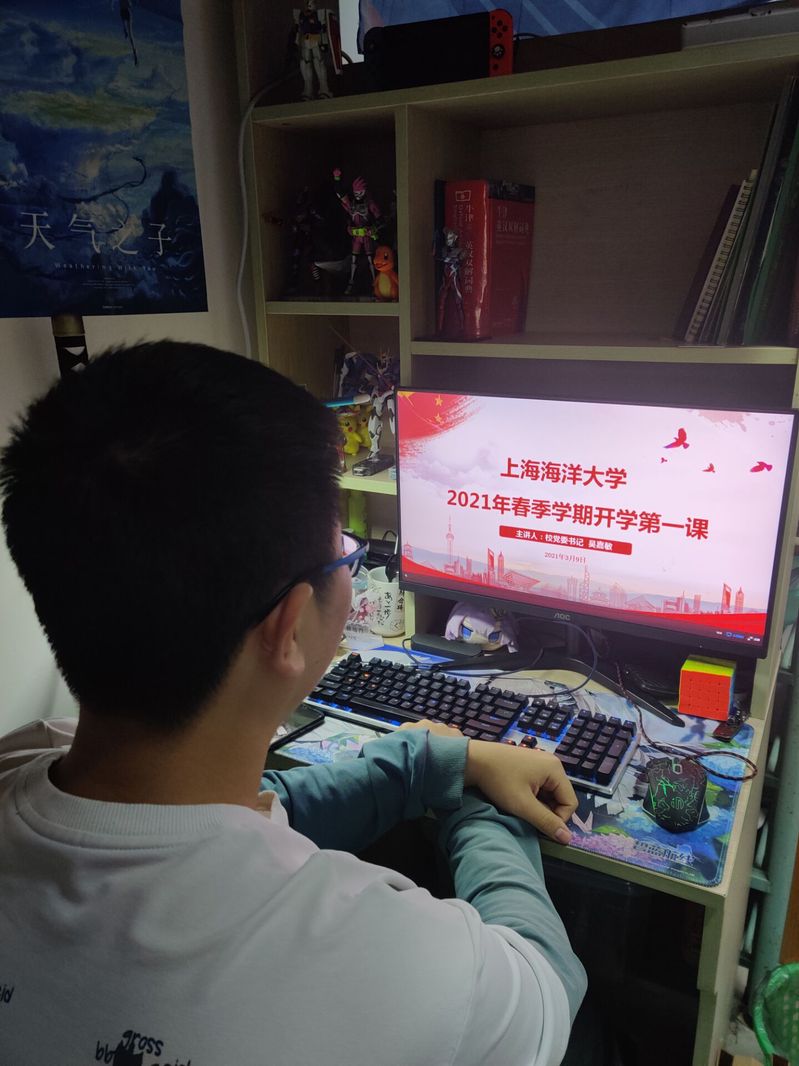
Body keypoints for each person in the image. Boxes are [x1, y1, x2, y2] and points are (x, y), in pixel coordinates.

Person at [0, 341, 586, 1066]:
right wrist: (481, 809)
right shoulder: (396, 961)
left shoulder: (25, 753)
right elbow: (545, 988)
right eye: (346, 555)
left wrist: (436, 761)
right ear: (289, 625)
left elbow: (238, 814)